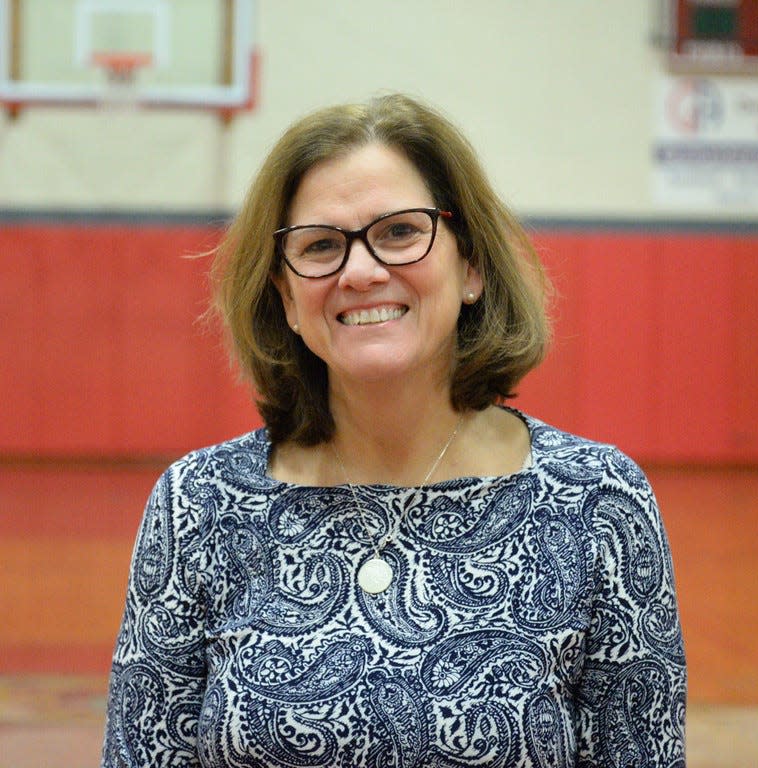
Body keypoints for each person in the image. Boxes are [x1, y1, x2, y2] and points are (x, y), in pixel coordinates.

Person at [101, 93, 686, 767]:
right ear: (287, 298)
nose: (361, 271)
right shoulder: (196, 505)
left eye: (400, 232)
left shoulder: (598, 504)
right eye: (320, 245)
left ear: (471, 266)